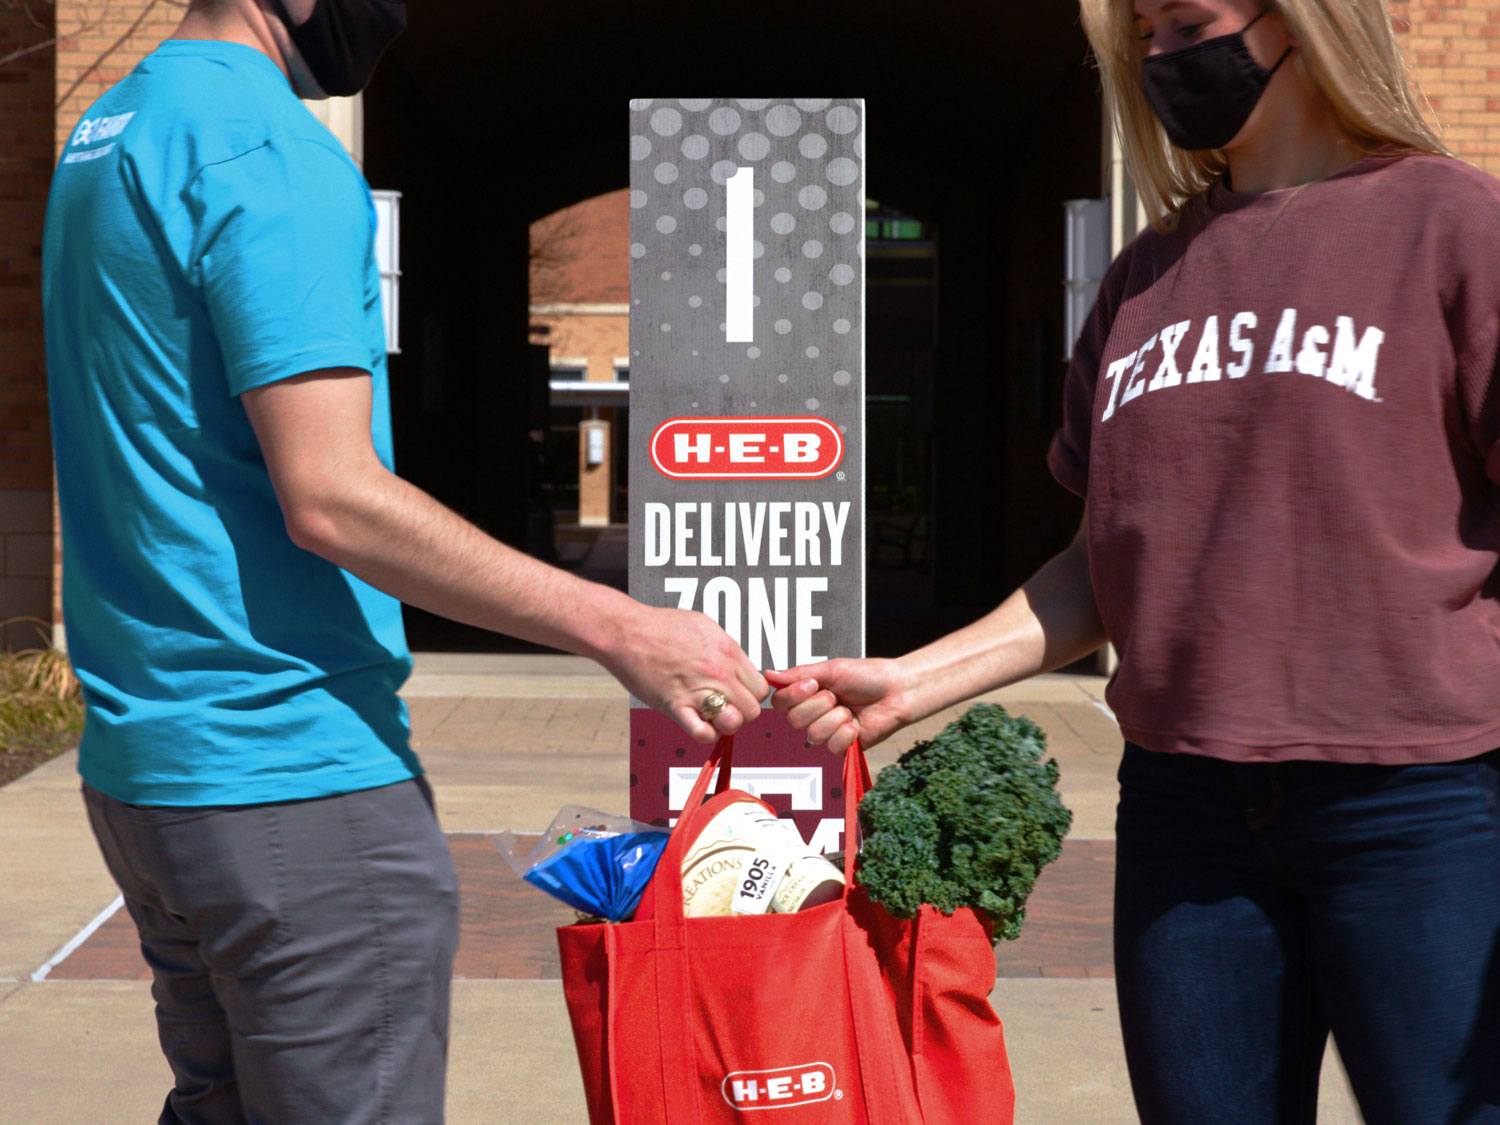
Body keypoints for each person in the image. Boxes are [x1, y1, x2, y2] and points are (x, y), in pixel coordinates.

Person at [767, 1, 1500, 1121]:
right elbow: (1106, 562)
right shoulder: (1148, 275)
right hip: (1186, 808)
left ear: (1304, 22)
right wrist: (910, 682)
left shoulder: (1452, 225)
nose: (1164, 60)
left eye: (1188, 24)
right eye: (1143, 39)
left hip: (1419, 805)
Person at [41, 0, 767, 1120]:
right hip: (293, 776)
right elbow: (333, 497)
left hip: (152, 775)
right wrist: (626, 627)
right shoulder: (271, 151)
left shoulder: (116, 129)